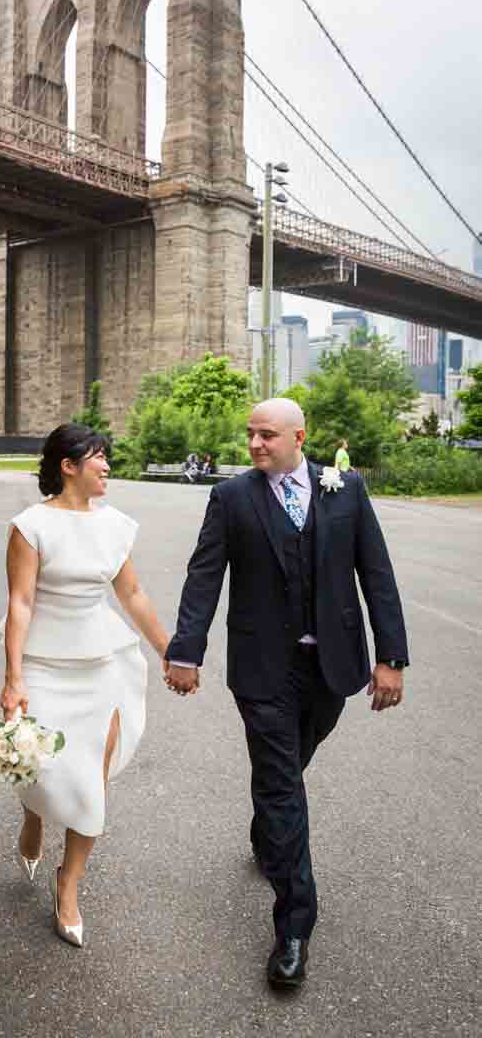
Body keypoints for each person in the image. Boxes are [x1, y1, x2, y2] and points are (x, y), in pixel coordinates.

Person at [165, 398, 408, 988]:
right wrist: (185, 650)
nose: (254, 444)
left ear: (300, 437)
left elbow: (376, 572)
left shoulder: (345, 488)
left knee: (290, 769)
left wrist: (391, 657)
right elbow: (205, 576)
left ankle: (267, 830)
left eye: (266, 435)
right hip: (262, 668)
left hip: (332, 664)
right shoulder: (230, 497)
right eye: (249, 434)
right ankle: (294, 927)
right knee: (280, 781)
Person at [0, 423, 170, 948]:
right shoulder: (31, 526)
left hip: (102, 662)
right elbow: (21, 603)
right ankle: (33, 815)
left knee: (91, 777)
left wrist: (172, 652)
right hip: (46, 659)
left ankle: (67, 883)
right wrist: (13, 678)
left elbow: (134, 594)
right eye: (97, 457)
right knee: (42, 765)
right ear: (68, 466)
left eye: (107, 457)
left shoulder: (116, 525)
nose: (107, 466)